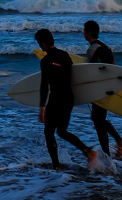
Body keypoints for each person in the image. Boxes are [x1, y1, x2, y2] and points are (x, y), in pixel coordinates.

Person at [34, 28, 98, 171]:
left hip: (56, 98)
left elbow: (44, 85)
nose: (39, 46)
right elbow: (73, 78)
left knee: (49, 132)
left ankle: (56, 166)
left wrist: (42, 107)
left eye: (39, 43)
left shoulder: (45, 61)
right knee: (62, 131)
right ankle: (88, 152)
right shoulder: (65, 55)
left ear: (44, 43)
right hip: (69, 97)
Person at [83, 20, 122, 158]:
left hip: (99, 89)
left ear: (89, 32)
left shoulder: (92, 50)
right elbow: (113, 66)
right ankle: (116, 144)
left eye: (84, 30)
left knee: (98, 120)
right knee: (98, 118)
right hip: (108, 87)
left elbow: (90, 72)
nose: (83, 33)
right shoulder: (106, 47)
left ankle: (109, 153)